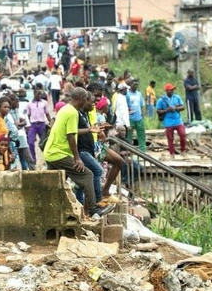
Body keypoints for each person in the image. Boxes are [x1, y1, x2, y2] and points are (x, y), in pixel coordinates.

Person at [42, 88, 112, 220]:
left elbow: (73, 130)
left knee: (57, 183)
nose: (86, 102)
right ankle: (93, 209)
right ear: (81, 99)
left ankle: (51, 212)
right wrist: (77, 158)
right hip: (59, 153)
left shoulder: (65, 109)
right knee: (88, 175)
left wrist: (89, 130)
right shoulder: (73, 112)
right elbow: (71, 136)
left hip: (51, 152)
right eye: (85, 99)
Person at [156, 83, 187, 156]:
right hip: (168, 121)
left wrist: (175, 108)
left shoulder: (177, 97)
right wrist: (167, 110)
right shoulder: (161, 100)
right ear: (166, 91)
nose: (172, 91)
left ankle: (183, 151)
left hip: (178, 120)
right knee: (170, 138)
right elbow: (158, 111)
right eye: (171, 90)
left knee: (183, 134)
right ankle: (172, 153)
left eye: (173, 90)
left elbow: (183, 107)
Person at [126, 80, 146, 151]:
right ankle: (129, 151)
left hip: (139, 118)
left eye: (137, 85)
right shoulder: (127, 94)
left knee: (141, 135)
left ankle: (142, 151)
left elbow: (142, 105)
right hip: (130, 119)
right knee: (129, 136)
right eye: (134, 84)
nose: (136, 86)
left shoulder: (139, 94)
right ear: (131, 85)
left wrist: (143, 115)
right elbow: (125, 105)